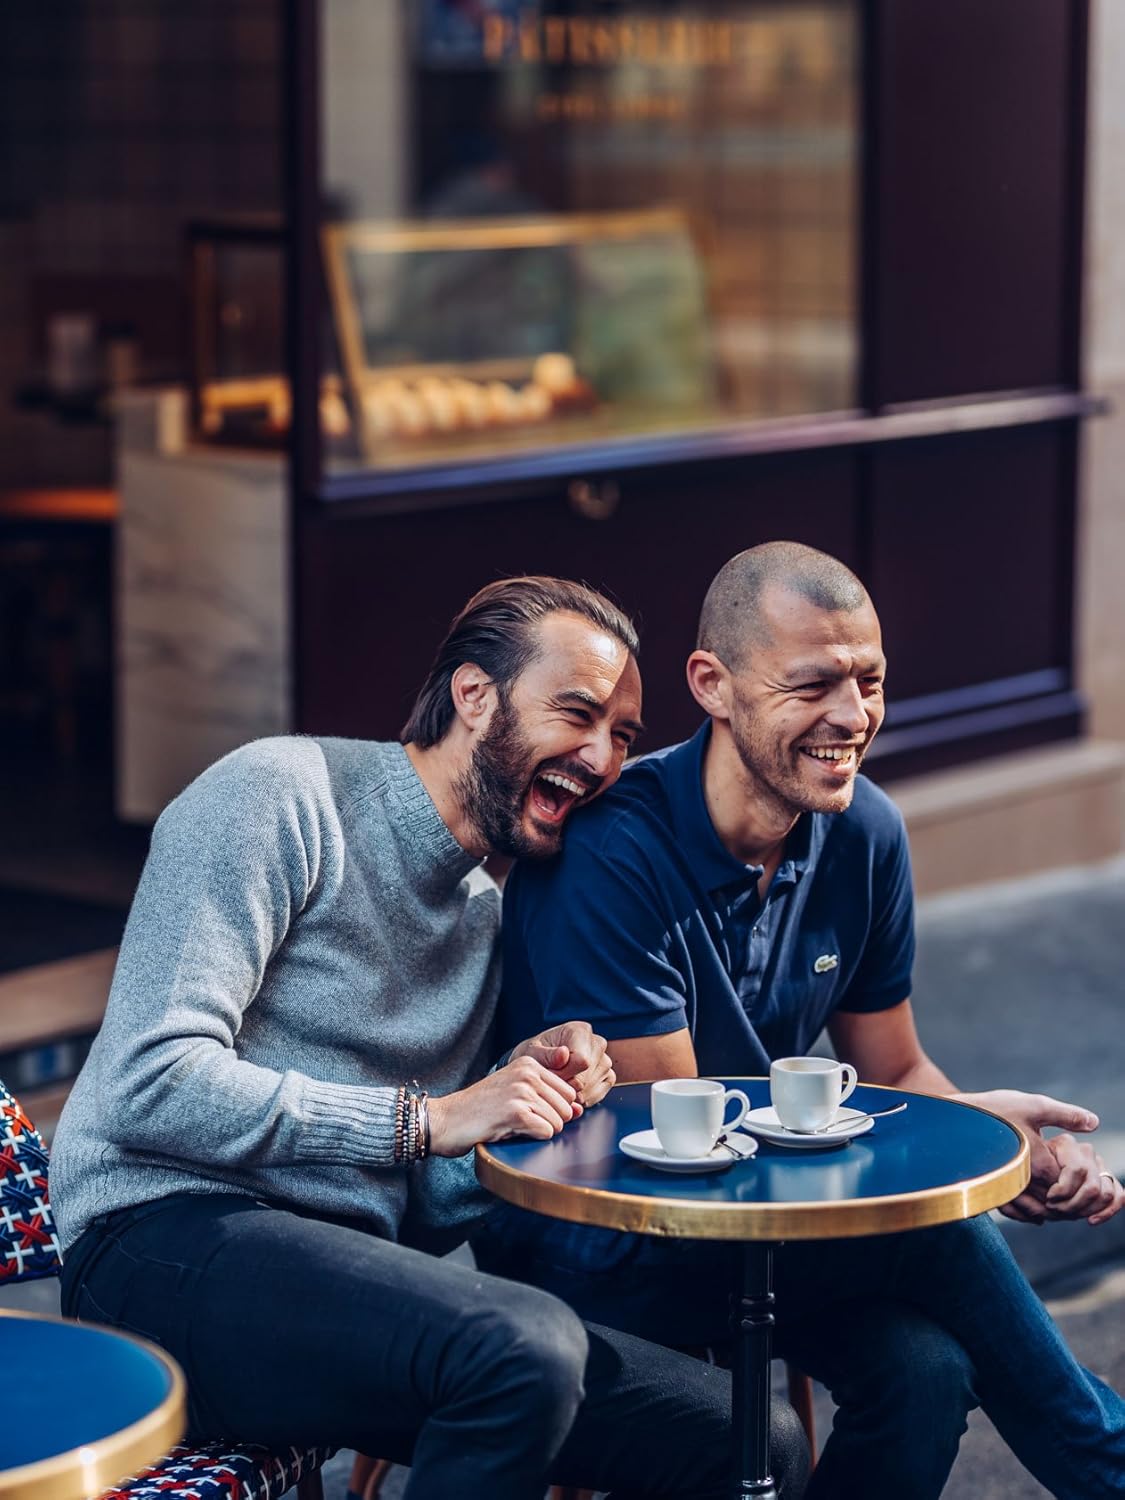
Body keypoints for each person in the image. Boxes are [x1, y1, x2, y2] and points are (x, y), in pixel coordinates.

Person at [50, 574, 809, 1500]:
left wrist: (516, 1101)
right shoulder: (279, 794)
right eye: (576, 713)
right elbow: (148, 1080)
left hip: (342, 1288)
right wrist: (429, 1119)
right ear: (474, 694)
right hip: (158, 1249)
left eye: (622, 737)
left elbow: (419, 1208)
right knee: (524, 1348)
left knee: (749, 1441)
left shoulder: (485, 917)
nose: (602, 759)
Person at [479, 543, 1125, 1499]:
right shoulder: (612, 853)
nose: (853, 717)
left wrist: (987, 1139)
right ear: (713, 684)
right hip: (605, 1236)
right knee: (937, 1234)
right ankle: (1103, 1463)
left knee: (926, 1373)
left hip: (777, 1232)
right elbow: (676, 1138)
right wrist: (943, 1164)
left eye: (869, 680)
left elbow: (896, 1071)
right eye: (813, 684)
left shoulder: (863, 831)